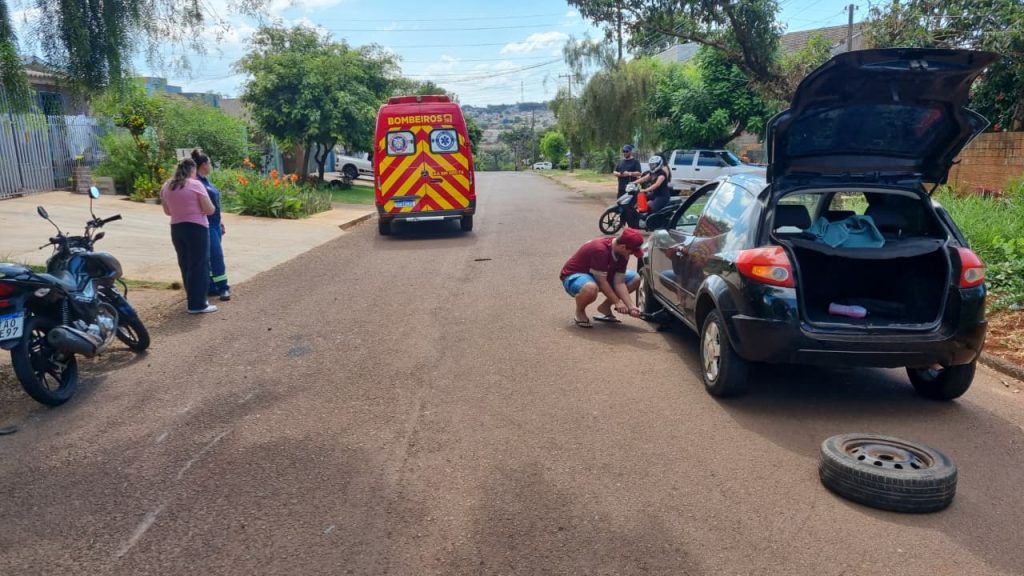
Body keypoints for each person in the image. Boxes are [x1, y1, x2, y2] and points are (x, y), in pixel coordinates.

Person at [160, 158, 218, 314]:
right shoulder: (195, 185)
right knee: (199, 264)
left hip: (177, 228)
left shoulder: (167, 186)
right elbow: (210, 209)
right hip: (197, 227)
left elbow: (167, 211)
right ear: (193, 169)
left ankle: (192, 299)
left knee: (185, 264)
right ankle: (198, 304)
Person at [560, 227, 644, 328]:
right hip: (574, 276)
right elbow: (602, 282)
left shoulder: (623, 253)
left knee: (634, 279)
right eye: (631, 252)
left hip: (600, 275)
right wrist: (617, 302)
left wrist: (630, 306)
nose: (631, 254)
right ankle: (580, 311)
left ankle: (605, 307)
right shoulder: (600, 250)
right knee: (591, 289)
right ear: (623, 247)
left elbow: (619, 282)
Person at [192, 149, 231, 301]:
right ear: (203, 165)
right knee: (216, 255)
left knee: (211, 256)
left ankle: (211, 286)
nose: (211, 166)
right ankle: (223, 288)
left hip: (215, 223)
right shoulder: (196, 183)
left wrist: (220, 222)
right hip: (205, 224)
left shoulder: (206, 182)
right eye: (209, 163)